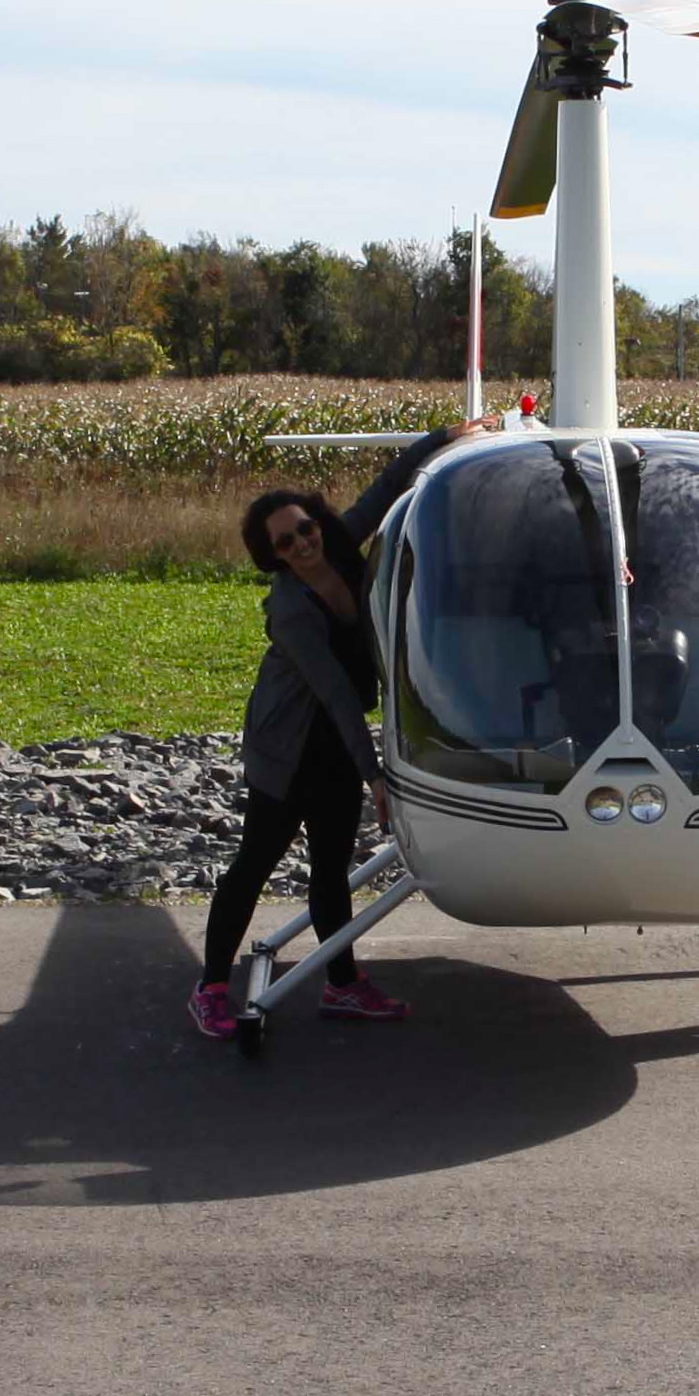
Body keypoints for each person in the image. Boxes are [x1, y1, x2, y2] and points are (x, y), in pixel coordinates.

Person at [191, 422, 478, 1040]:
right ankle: (211, 987)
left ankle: (342, 985)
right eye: (285, 542)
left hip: (333, 742)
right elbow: (336, 694)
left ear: (318, 523)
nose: (302, 544)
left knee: (328, 865)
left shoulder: (342, 543)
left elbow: (387, 486)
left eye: (305, 529)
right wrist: (374, 774)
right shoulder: (291, 608)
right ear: (271, 555)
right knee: (255, 862)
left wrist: (443, 437)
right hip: (289, 744)